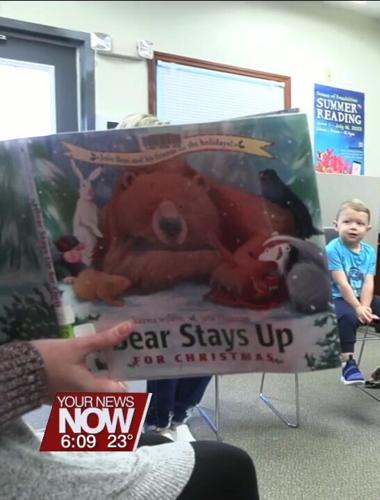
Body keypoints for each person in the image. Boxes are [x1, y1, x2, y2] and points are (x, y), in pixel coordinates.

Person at [0, 321, 259, 499]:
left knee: (155, 442)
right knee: (230, 465)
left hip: (15, 433)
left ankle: (176, 418)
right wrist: (33, 371)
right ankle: (161, 419)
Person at [113, 113, 211, 443]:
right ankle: (157, 423)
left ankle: (176, 415)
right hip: (127, 291)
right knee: (160, 333)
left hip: (180, 286)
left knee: (208, 335)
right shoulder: (118, 184)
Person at [327, 199, 380, 385]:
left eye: (359, 223)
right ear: (336, 226)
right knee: (347, 316)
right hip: (336, 297)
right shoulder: (332, 249)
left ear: (367, 229)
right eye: (347, 222)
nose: (353, 227)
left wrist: (365, 306)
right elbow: (342, 284)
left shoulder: (369, 252)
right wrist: (358, 308)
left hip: (361, 297)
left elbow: (368, 281)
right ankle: (347, 363)